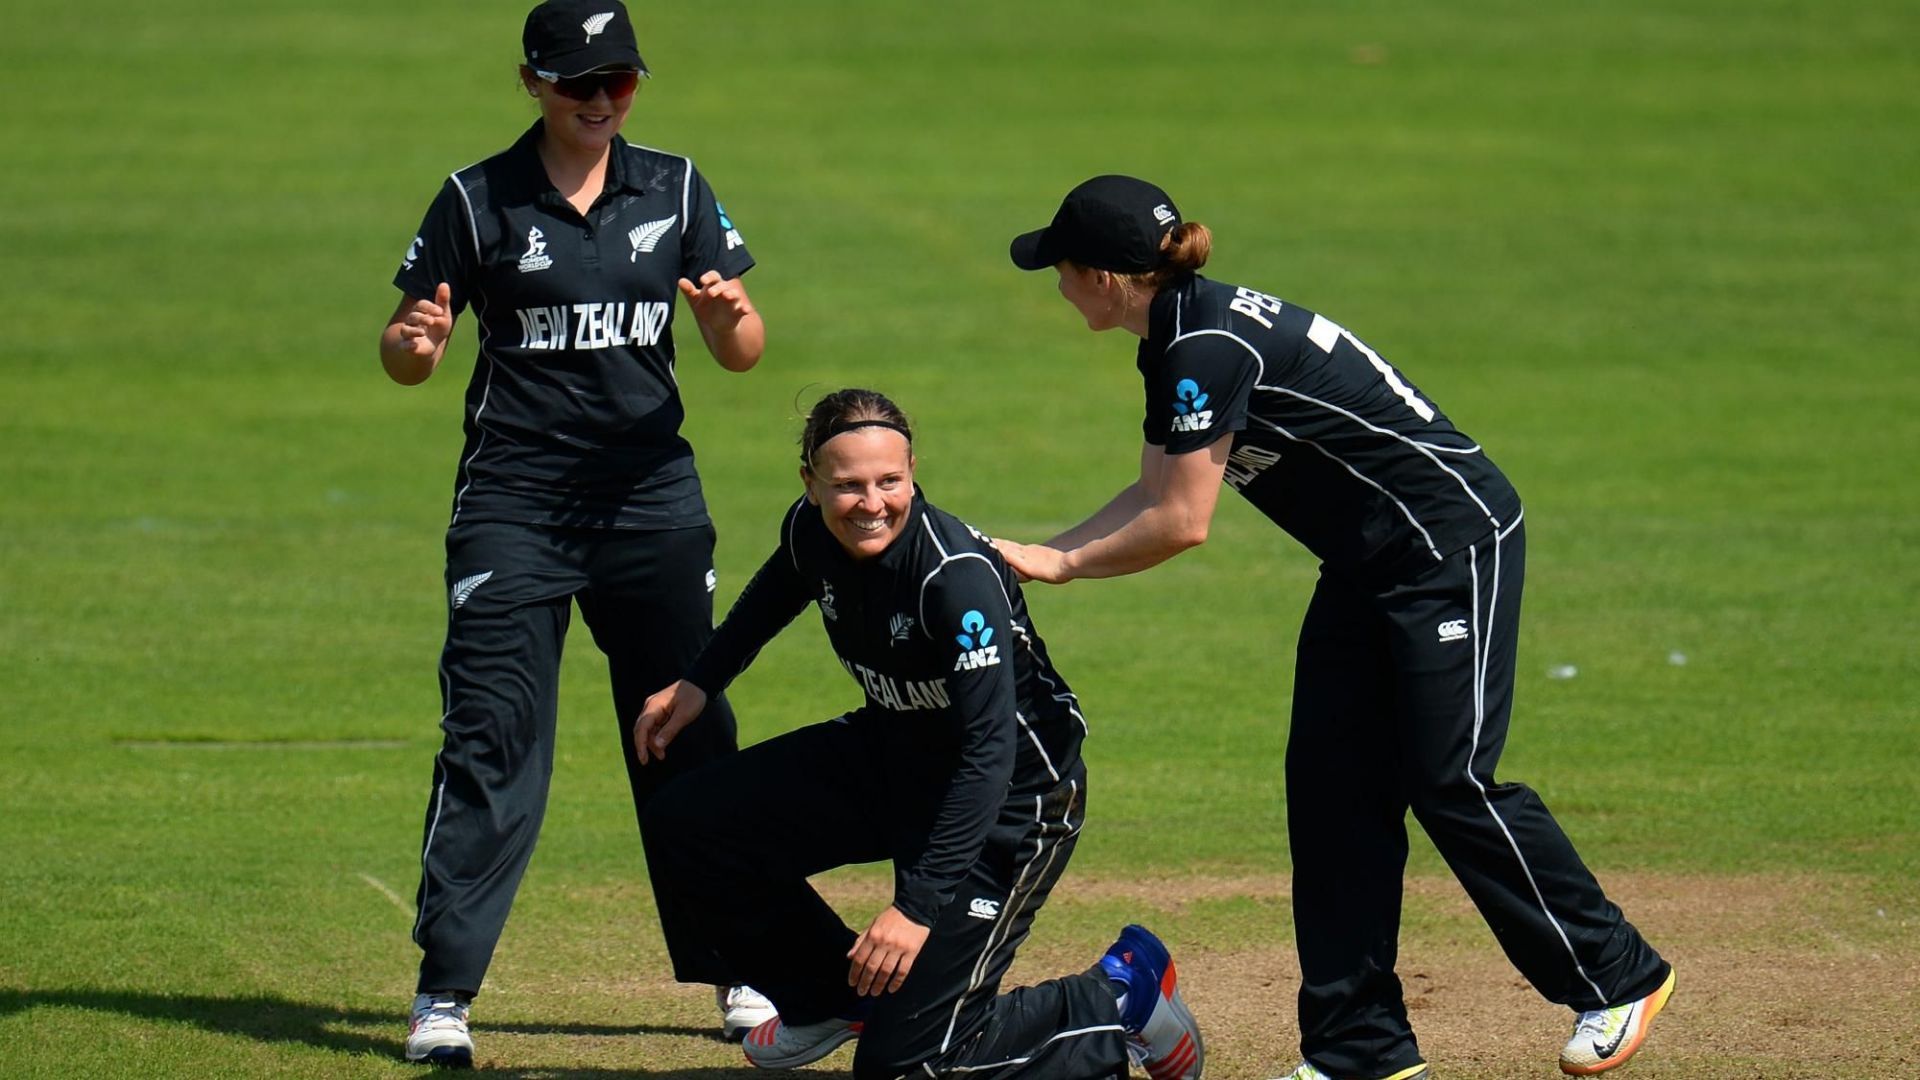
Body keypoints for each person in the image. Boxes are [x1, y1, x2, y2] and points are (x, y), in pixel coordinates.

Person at [994, 176, 1675, 1080]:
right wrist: (1041, 550)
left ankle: (1617, 977)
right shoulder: (1177, 335)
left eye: (1062, 266)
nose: (1054, 282)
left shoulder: (1202, 346)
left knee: (1451, 780)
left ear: (1109, 276)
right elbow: (1156, 489)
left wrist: (1067, 564)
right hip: (1370, 566)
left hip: (1446, 549)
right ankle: (1360, 1052)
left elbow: (1182, 521)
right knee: (1333, 792)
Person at [378, 0, 774, 1065]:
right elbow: (409, 349)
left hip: (651, 506)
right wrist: (415, 343)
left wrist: (727, 319)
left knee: (685, 729)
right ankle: (443, 996)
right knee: (495, 740)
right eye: (578, 85)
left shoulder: (677, 185)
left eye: (621, 83)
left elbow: (742, 349)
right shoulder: (476, 198)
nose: (601, 102)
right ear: (533, 83)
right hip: (515, 509)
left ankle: (741, 966)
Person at [632, 389, 1206, 1080]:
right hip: (893, 757)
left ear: (912, 473)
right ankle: (830, 1000)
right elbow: (786, 579)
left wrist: (915, 907)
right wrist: (700, 682)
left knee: (904, 1069)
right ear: (810, 485)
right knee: (688, 823)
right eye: (845, 485)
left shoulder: (955, 579)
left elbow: (991, 753)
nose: (870, 503)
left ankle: (1115, 997)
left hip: (1012, 805)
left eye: (889, 481)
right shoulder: (812, 528)